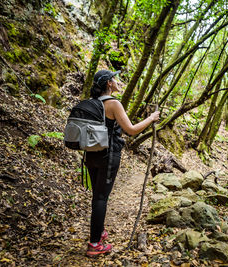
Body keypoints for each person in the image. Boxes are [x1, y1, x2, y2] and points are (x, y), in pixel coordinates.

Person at [85, 69, 160, 257]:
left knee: (98, 195)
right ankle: (94, 244)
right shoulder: (113, 104)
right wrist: (151, 118)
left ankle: (99, 232)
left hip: (90, 154)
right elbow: (131, 130)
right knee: (101, 198)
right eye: (115, 78)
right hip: (107, 155)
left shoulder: (90, 103)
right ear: (109, 83)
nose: (118, 81)